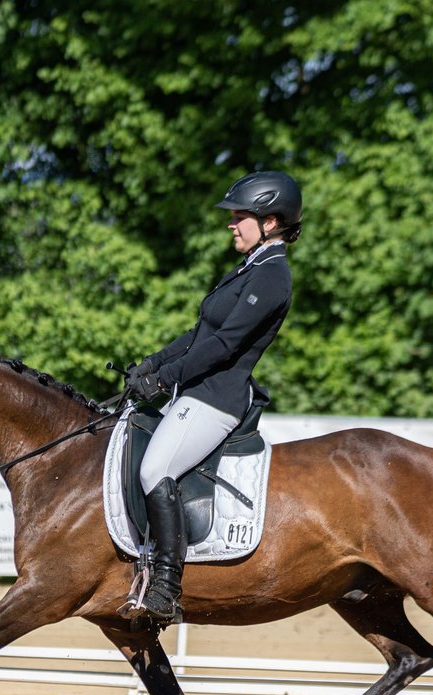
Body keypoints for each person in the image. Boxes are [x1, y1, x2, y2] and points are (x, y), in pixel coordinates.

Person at [123, 170, 302, 623]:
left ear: (271, 222)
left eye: (240, 216)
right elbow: (200, 332)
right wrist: (152, 364)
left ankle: (165, 586)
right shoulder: (249, 267)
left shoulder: (274, 276)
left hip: (217, 399)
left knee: (155, 468)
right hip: (195, 390)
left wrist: (164, 381)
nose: (231, 224)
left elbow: (225, 347)